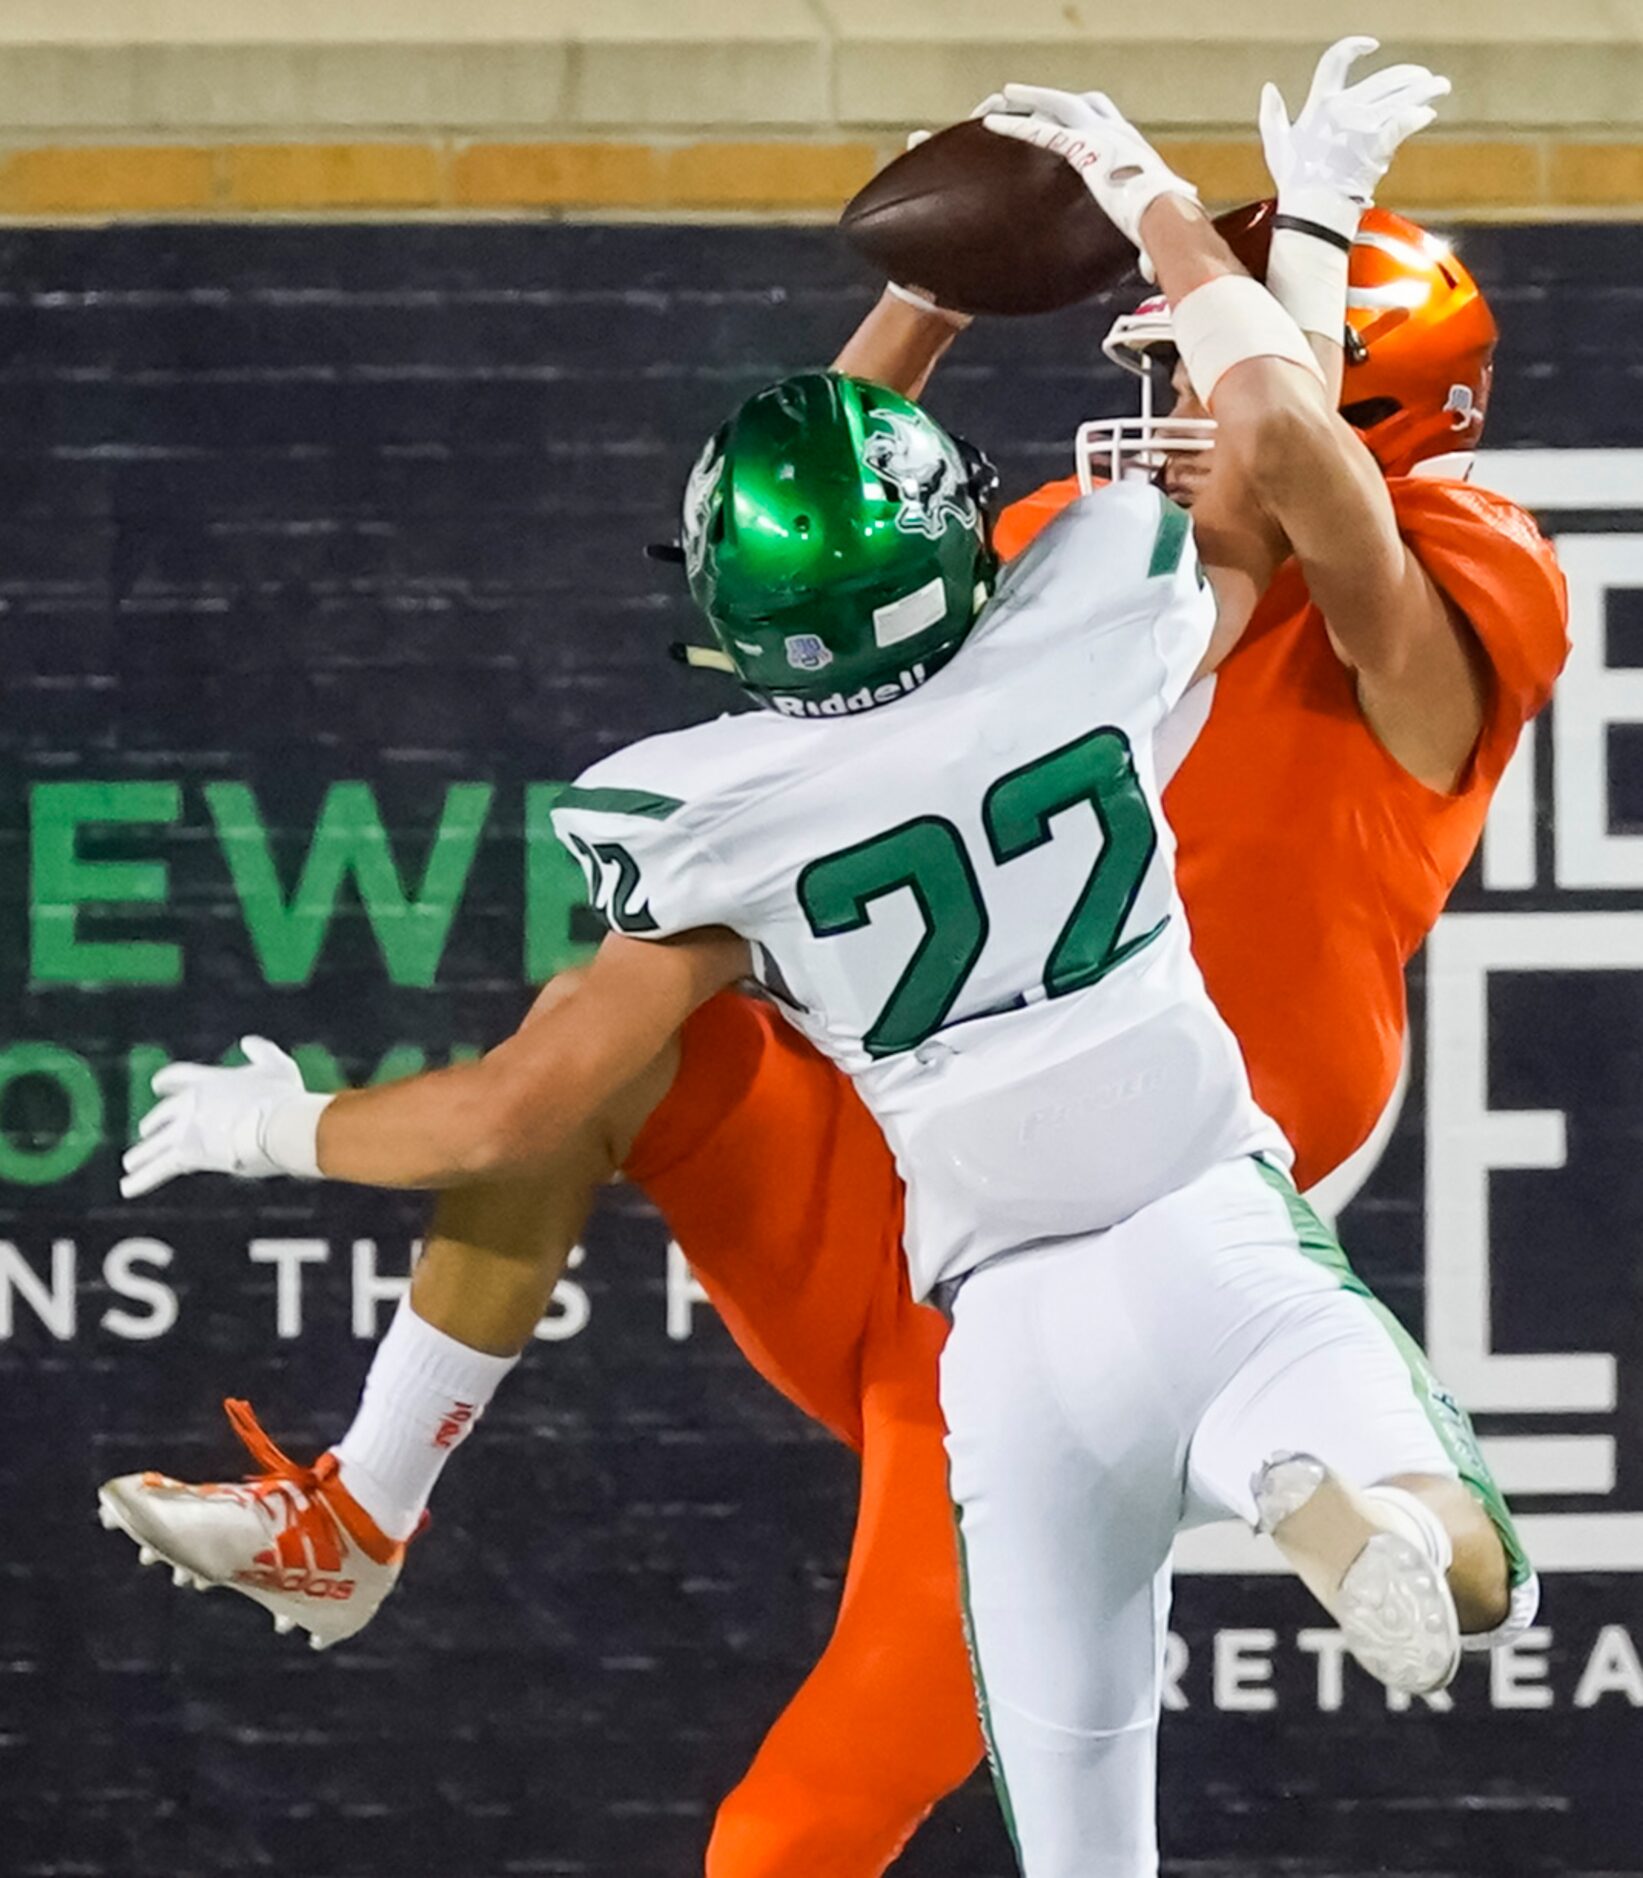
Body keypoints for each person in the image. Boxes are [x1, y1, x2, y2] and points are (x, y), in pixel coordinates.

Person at [102, 68, 1558, 1876]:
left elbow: (1309, 511)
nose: (1169, 387)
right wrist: (1005, 286)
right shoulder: (1100, 580)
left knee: (804, 1825)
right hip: (951, 1196)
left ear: (1366, 411)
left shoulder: (1454, 579)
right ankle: (362, 1506)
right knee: (609, 1032)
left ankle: (1346, 1504)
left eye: (1192, 353)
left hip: (1035, 1292)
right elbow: (824, 543)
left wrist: (281, 1124)